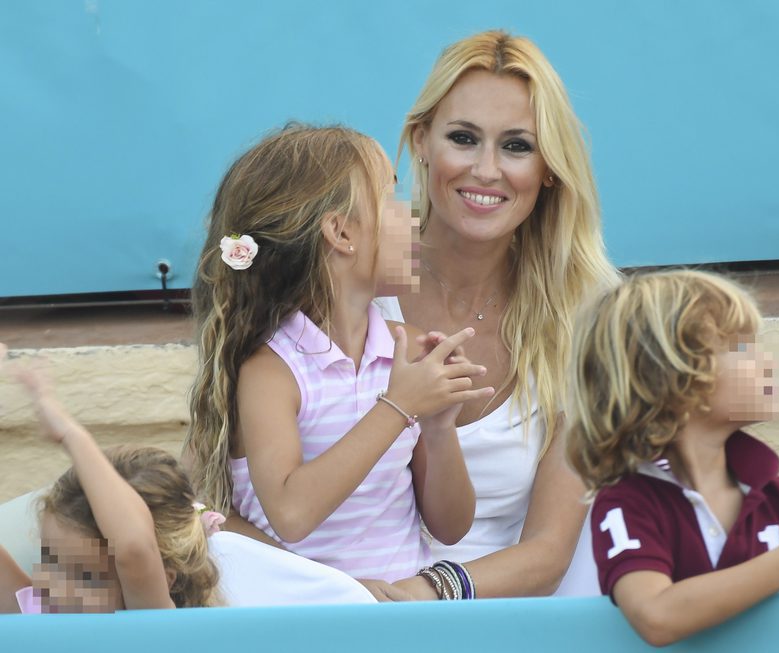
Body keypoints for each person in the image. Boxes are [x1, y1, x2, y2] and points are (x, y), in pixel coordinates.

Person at [372, 29, 620, 599]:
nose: (486, 170)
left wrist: (423, 594)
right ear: (421, 142)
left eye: (516, 146)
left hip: (493, 611)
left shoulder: (585, 309)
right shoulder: (351, 261)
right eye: (463, 137)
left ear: (550, 167)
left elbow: (548, 554)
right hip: (333, 600)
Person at [184, 124, 489, 586]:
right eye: (391, 196)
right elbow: (291, 513)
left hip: (400, 618)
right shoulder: (273, 370)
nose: (412, 215)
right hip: (305, 622)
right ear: (341, 232)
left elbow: (451, 527)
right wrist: (399, 407)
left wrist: (440, 429)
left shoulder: (403, 346)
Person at [564, 270, 779, 647]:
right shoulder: (628, 502)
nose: (768, 362)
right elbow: (656, 616)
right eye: (743, 348)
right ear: (672, 377)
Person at [0, 344, 220, 613]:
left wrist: (71, 434)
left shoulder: (150, 628)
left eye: (86, 578)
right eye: (50, 562)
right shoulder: (42, 610)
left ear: (165, 580)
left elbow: (133, 548)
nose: (55, 589)